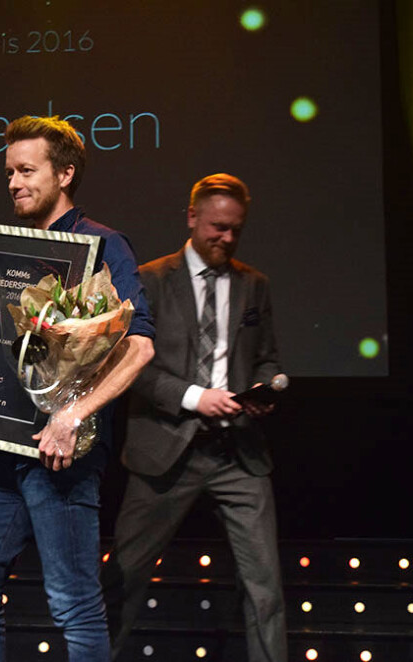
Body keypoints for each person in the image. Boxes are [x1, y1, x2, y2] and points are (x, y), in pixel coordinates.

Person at [0, 116, 155, 662]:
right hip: (11, 449)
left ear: (66, 174)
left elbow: (140, 346)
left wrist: (72, 417)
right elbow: (0, 343)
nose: (12, 182)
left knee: (74, 604)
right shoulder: (5, 249)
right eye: (9, 172)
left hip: (63, 454)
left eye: (26, 170)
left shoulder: (102, 244)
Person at [103, 173, 287, 661]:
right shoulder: (148, 280)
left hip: (238, 454)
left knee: (265, 588)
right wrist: (193, 397)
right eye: (217, 227)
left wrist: (268, 387)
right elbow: (127, 364)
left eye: (235, 230)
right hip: (164, 451)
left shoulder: (255, 285)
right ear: (191, 218)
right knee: (124, 577)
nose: (226, 238)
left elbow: (266, 357)